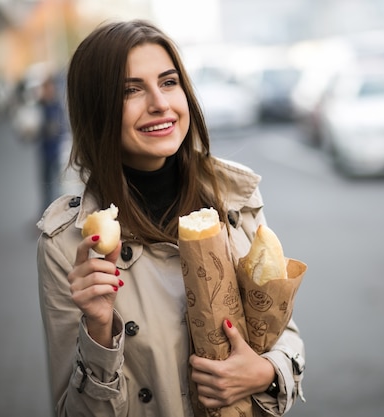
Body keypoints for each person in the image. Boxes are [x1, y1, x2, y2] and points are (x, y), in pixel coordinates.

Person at [36, 19, 305, 416]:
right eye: (131, 90)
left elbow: (285, 332)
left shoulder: (233, 196)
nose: (160, 103)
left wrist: (264, 371)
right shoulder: (66, 244)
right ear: (97, 108)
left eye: (168, 82)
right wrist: (98, 330)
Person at [37, 75, 67, 213]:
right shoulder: (41, 106)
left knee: (59, 185)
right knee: (45, 185)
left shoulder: (56, 105)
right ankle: (46, 214)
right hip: (45, 152)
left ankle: (59, 213)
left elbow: (60, 127)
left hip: (56, 151)